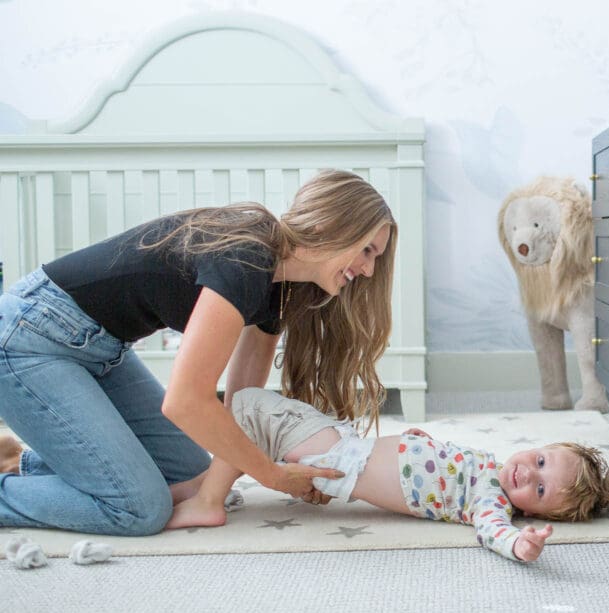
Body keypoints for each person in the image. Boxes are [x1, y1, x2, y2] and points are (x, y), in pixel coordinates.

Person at [0, 170, 397, 536]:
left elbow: (243, 407)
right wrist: (272, 476)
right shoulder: (247, 258)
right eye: (366, 250)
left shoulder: (282, 289)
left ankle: (19, 462)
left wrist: (217, 489)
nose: (368, 270)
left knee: (191, 476)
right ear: (330, 224)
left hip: (101, 350)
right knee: (140, 509)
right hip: (29, 339)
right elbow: (186, 401)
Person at [167, 387, 609, 562]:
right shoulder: (488, 465)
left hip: (341, 459)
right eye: (541, 461)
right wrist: (421, 443)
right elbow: (442, 467)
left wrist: (521, 544)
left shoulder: (491, 503)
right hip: (350, 446)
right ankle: (201, 490)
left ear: (534, 512)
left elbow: (492, 531)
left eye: (539, 489)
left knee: (247, 407)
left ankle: (209, 503)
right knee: (257, 429)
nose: (528, 474)